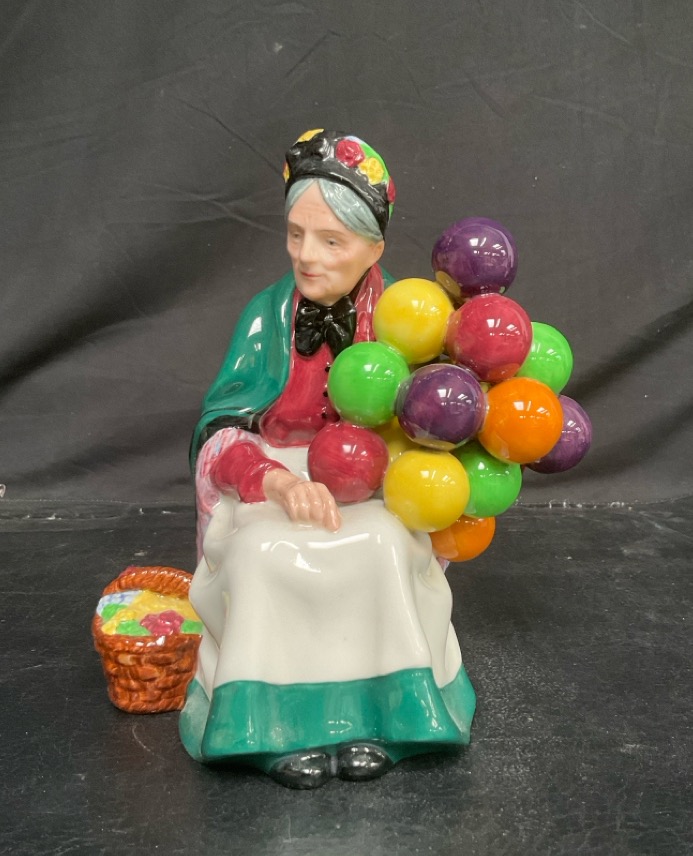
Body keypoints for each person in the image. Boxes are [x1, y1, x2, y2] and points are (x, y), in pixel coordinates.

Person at [180, 130, 476, 789]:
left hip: (374, 484)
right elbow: (219, 430)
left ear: (374, 248)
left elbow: (433, 427)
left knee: (384, 546)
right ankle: (266, 729)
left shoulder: (407, 319)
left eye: (331, 241)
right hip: (269, 480)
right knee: (262, 556)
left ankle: (391, 721)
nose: (306, 256)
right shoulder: (265, 317)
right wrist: (272, 480)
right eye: (295, 235)